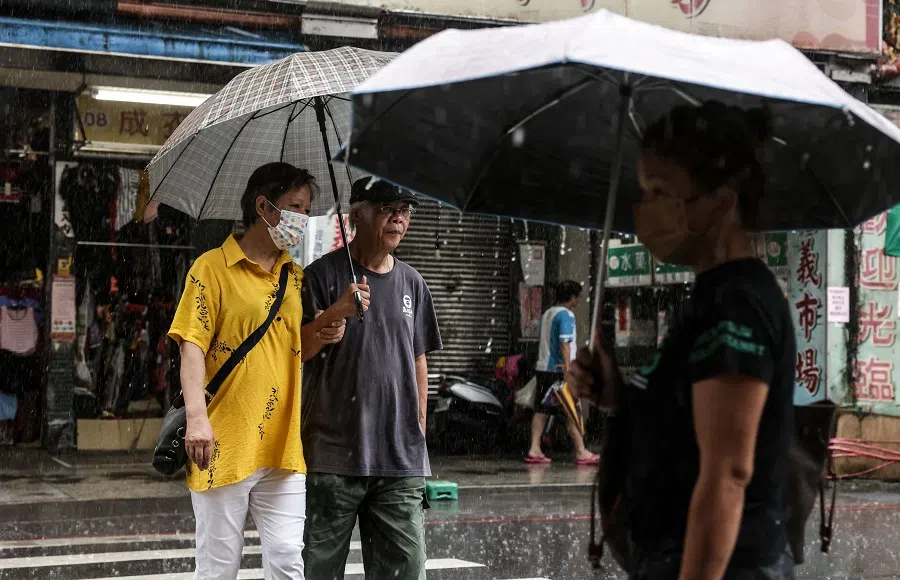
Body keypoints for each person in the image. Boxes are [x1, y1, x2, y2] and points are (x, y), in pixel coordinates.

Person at [568, 101, 796, 579]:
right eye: (644, 191)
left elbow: (727, 475)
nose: (646, 209)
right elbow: (687, 425)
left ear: (722, 198)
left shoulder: (736, 307)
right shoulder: (713, 296)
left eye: (662, 192)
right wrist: (617, 395)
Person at [169, 162, 344, 580]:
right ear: (263, 207)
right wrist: (196, 419)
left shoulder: (295, 276)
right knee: (218, 567)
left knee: (287, 560)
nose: (302, 218)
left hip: (282, 447)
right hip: (222, 442)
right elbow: (191, 347)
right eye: (294, 207)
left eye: (308, 208)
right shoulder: (211, 268)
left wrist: (333, 321)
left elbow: (292, 351)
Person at [300, 178, 442, 580]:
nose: (398, 217)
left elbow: (418, 360)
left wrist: (419, 428)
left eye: (405, 211)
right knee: (319, 572)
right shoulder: (321, 277)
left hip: (398, 460)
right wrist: (334, 313)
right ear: (355, 215)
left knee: (406, 572)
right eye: (386, 207)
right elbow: (296, 350)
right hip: (332, 457)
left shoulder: (413, 283)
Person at [525, 280, 599, 465]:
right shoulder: (566, 315)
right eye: (577, 297)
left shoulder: (548, 313)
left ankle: (535, 448)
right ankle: (581, 452)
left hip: (543, 368)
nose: (578, 301)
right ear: (572, 297)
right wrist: (567, 367)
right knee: (571, 408)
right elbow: (564, 342)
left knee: (542, 410)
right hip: (558, 370)